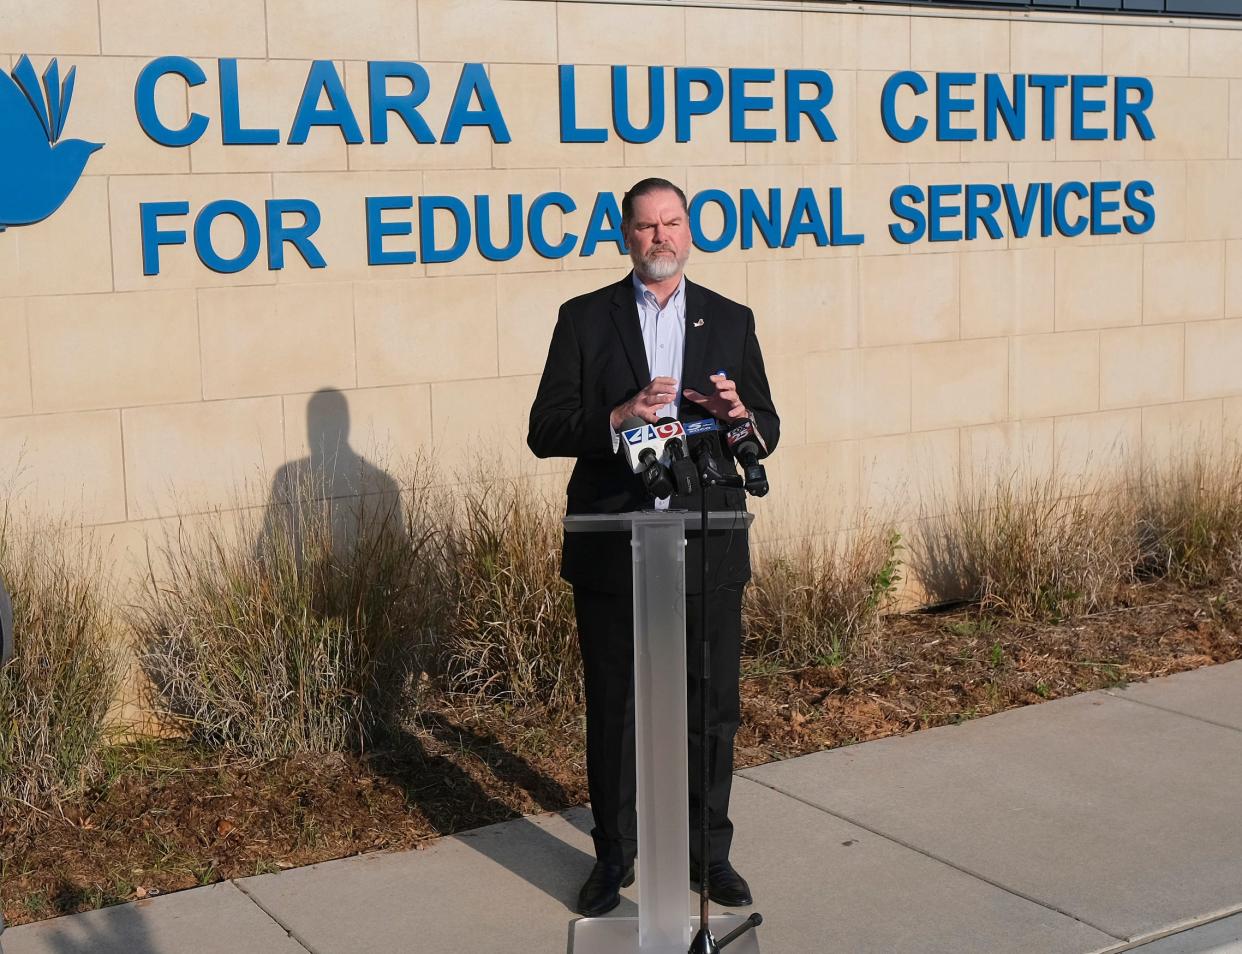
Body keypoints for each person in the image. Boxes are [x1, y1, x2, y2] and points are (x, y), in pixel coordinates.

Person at [527, 178, 780, 917]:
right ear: (625, 236)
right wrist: (618, 416)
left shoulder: (730, 320)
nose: (660, 237)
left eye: (671, 223)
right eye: (645, 226)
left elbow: (764, 425)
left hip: (707, 537)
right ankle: (615, 858)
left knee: (713, 707)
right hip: (615, 543)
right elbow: (546, 427)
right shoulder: (583, 319)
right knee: (614, 709)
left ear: (689, 230)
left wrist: (742, 416)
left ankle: (712, 856)